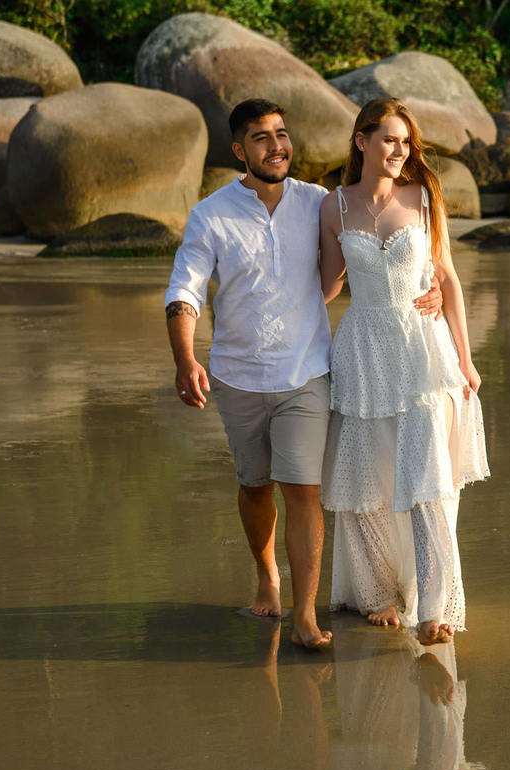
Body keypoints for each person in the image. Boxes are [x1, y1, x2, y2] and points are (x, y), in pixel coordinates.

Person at [163, 98, 439, 649]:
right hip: (238, 375)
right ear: (240, 151)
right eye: (261, 138)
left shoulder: (319, 202)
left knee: (304, 491)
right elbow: (185, 291)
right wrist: (185, 358)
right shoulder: (210, 215)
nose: (277, 145)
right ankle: (268, 577)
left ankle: (306, 615)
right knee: (254, 485)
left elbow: (363, 258)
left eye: (282, 134)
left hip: (308, 372)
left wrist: (423, 286)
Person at [319, 98, 490, 646]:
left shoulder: (424, 198)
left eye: (406, 142)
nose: (400, 151)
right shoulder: (335, 207)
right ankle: (380, 595)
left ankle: (435, 610)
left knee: (428, 483)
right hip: (363, 351)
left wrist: (465, 360)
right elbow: (325, 288)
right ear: (361, 141)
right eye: (389, 139)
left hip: (421, 352)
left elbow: (448, 278)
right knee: (365, 482)